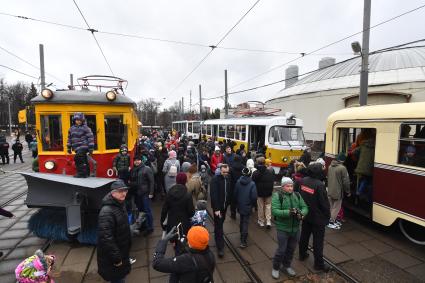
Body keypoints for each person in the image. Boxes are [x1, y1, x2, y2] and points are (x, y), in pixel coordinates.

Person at [271, 177, 308, 279]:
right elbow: (275, 211)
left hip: (295, 229)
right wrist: (289, 212)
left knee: (291, 249)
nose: (290, 188)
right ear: (283, 187)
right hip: (283, 229)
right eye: (288, 186)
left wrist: (302, 213)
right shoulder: (277, 196)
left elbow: (304, 207)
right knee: (281, 250)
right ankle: (276, 267)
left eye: (291, 186)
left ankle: (286, 265)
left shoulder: (297, 195)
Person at [97, 180, 132, 283]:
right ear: (112, 193)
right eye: (120, 191)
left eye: (125, 190)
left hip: (122, 251)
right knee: (118, 279)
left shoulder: (119, 204)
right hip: (114, 258)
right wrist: (117, 258)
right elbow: (107, 238)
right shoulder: (107, 212)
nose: (124, 193)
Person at [298, 163, 331, 272]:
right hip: (317, 218)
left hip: (306, 214)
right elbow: (324, 204)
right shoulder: (319, 185)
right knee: (318, 242)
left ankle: (302, 254)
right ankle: (319, 264)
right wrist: (327, 215)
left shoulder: (303, 180)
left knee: (304, 236)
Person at [160, 172, 195, 255]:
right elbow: (191, 212)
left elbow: (164, 210)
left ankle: (176, 253)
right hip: (184, 224)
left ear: (176, 180)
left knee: (175, 242)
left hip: (172, 223)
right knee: (184, 243)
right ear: (185, 181)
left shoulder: (169, 193)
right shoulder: (187, 195)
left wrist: (162, 223)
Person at [209, 164, 232, 258]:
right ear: (220, 171)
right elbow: (213, 195)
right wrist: (216, 208)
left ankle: (218, 236)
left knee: (220, 223)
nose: (225, 174)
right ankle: (220, 247)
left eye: (227, 172)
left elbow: (229, 190)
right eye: (224, 172)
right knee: (219, 226)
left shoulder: (228, 178)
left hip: (224, 206)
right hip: (218, 208)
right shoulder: (215, 179)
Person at [129, 155, 155, 235]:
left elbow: (151, 181)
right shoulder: (133, 169)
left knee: (147, 211)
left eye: (138, 160)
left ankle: (150, 227)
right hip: (137, 193)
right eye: (135, 160)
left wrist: (151, 193)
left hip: (145, 193)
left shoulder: (146, 169)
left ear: (141, 160)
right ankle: (143, 225)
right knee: (141, 211)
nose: (136, 161)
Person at [234, 167, 257, 248]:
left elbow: (235, 194)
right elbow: (254, 197)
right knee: (245, 222)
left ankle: (241, 233)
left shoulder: (238, 182)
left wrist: (237, 203)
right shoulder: (252, 184)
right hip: (248, 205)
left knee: (241, 220)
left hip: (240, 205)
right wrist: (253, 205)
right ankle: (243, 240)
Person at [327, 153, 351, 229]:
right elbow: (346, 181)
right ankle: (331, 221)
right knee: (336, 207)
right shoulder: (342, 168)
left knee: (331, 206)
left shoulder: (330, 166)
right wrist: (348, 191)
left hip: (330, 190)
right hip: (338, 191)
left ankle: (330, 220)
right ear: (342, 160)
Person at [67, 112, 94, 178]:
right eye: (77, 120)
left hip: (84, 146)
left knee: (77, 158)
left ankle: (82, 173)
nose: (78, 122)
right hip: (76, 147)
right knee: (84, 159)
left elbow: (90, 138)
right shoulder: (71, 129)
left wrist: (91, 149)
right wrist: (68, 147)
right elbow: (69, 139)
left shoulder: (86, 128)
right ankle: (87, 173)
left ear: (82, 120)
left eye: (80, 120)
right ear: (74, 120)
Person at [252, 157, 275, 228]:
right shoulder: (270, 171)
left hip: (259, 193)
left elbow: (253, 182)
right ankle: (268, 221)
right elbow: (272, 182)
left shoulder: (256, 173)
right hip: (268, 192)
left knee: (260, 207)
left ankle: (261, 221)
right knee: (268, 206)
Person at [229, 154, 244, 219]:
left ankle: (233, 214)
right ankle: (241, 213)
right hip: (241, 186)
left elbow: (229, 179)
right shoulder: (243, 167)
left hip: (233, 187)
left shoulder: (231, 168)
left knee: (233, 202)